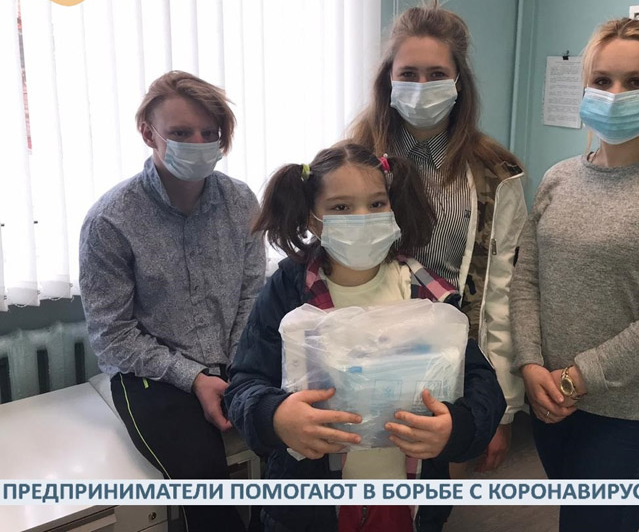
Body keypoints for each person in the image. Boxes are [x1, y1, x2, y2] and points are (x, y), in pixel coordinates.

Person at [510, 17, 639, 532]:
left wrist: (576, 378)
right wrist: (531, 364)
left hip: (631, 419)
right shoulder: (559, 179)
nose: (615, 94)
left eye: (636, 81)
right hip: (552, 403)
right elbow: (527, 280)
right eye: (602, 80)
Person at [225, 142, 505, 532]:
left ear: (393, 208)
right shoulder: (288, 290)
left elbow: (481, 383)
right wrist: (276, 417)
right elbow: (244, 383)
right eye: (340, 207)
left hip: (407, 498)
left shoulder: (424, 291)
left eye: (376, 204)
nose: (362, 217)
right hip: (311, 506)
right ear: (313, 219)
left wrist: (456, 428)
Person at [349, 0, 526, 483]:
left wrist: (502, 408)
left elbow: (501, 295)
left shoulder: (496, 173)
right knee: (363, 487)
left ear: (458, 82)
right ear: (388, 79)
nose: (421, 86)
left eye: (436, 74)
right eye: (408, 73)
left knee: (431, 496)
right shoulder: (352, 161)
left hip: (453, 367)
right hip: (365, 360)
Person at [79, 71, 265, 532]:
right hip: (153, 374)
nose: (198, 143)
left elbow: (252, 294)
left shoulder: (241, 202)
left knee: (294, 444)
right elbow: (112, 336)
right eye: (181, 133)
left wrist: (240, 368)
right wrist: (195, 378)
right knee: (205, 484)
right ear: (149, 133)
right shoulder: (111, 220)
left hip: (235, 357)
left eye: (209, 132)